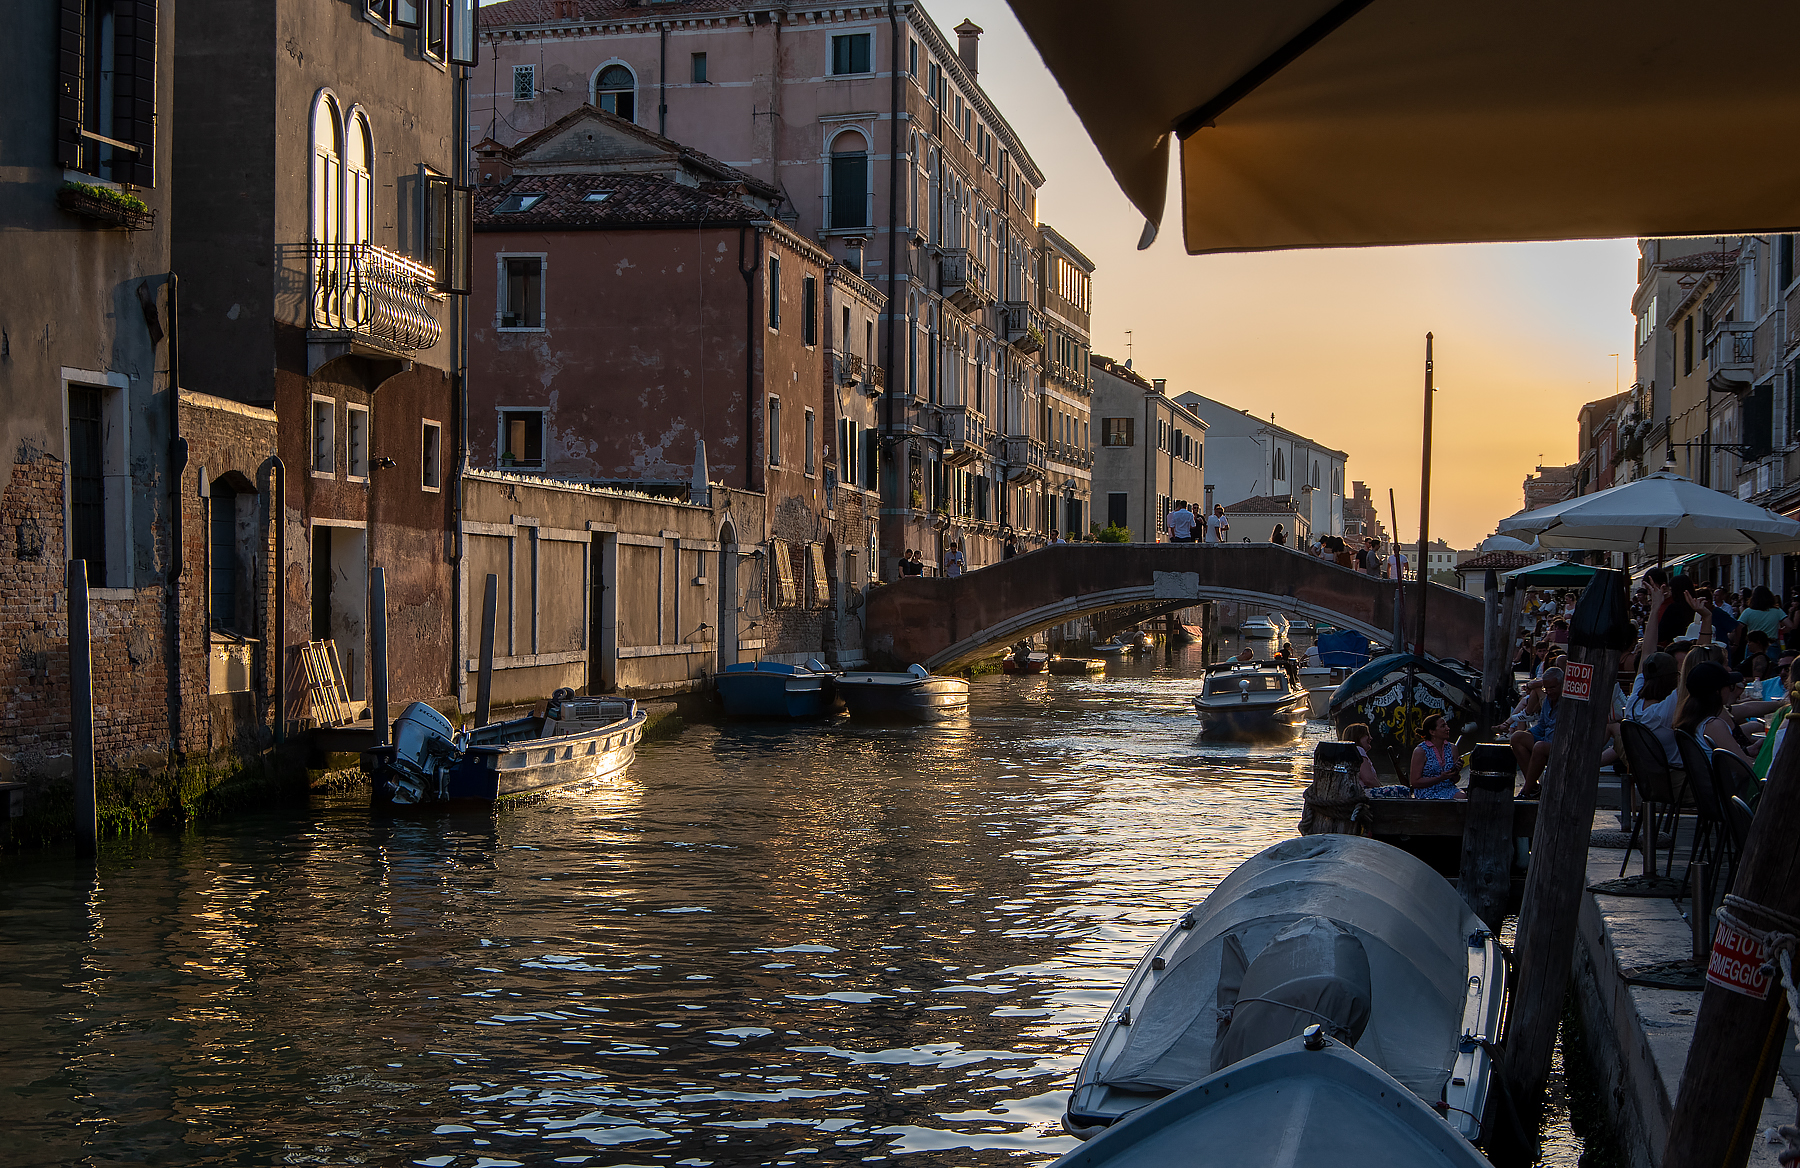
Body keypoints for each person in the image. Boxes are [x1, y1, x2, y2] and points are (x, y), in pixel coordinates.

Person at [1675, 661, 1755, 765]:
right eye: (1729, 686)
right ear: (1717, 692)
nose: (1730, 690)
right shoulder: (1714, 726)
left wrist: (1749, 750)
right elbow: (1744, 767)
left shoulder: (1691, 718)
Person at [1510, 666, 1563, 796]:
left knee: (1539, 747)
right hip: (1546, 739)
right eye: (1546, 688)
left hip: (1560, 745)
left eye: (1552, 688)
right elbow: (1542, 725)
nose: (1548, 691)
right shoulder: (1548, 700)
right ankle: (1533, 787)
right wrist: (1529, 734)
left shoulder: (1568, 703)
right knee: (1517, 737)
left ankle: (1526, 790)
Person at [1409, 715, 1466, 800]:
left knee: (1463, 796)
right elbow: (1415, 782)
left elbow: (1455, 780)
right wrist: (1440, 778)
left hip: (1448, 788)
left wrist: (1456, 771)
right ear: (1432, 732)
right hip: (1427, 791)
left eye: (1446, 725)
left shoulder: (1452, 748)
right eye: (1443, 726)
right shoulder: (1420, 751)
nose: (1448, 728)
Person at [1341, 723, 1383, 790]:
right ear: (1357, 737)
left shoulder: (1346, 753)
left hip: (1353, 791)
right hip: (1363, 791)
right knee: (1401, 790)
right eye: (1367, 735)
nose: (1371, 738)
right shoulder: (1358, 750)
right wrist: (1382, 790)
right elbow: (1368, 780)